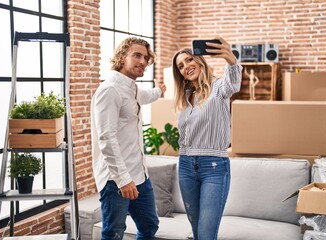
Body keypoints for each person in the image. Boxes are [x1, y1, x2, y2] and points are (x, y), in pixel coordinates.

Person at [91, 37, 166, 240]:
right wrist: (123, 180)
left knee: (149, 226)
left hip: (140, 176)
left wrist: (160, 91)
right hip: (116, 180)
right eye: (137, 55)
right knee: (114, 233)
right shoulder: (110, 90)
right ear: (121, 57)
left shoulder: (131, 88)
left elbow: (145, 96)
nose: (143, 61)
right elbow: (106, 138)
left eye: (146, 58)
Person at [171, 36, 242, 240]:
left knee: (206, 234)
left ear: (199, 61)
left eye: (189, 60)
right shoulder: (185, 97)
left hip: (213, 166)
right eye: (181, 66)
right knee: (196, 232)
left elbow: (233, 83)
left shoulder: (219, 88)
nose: (186, 66)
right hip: (185, 166)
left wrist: (230, 58)